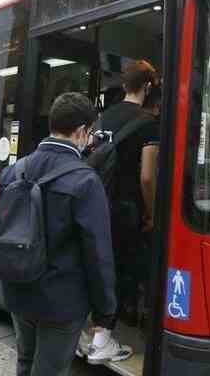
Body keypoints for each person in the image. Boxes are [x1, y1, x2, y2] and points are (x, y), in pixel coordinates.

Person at [0, 93, 117, 376]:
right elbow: (98, 253)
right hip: (62, 302)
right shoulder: (86, 180)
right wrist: (104, 312)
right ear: (82, 132)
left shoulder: (13, 171)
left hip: (18, 288)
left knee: (25, 361)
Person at [83, 60, 160, 362]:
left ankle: (88, 329)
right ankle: (102, 339)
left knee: (98, 267)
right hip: (126, 211)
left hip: (95, 204)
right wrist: (152, 213)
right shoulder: (149, 124)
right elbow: (147, 177)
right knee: (124, 272)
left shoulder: (102, 119)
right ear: (149, 86)